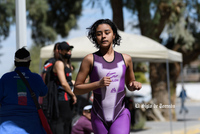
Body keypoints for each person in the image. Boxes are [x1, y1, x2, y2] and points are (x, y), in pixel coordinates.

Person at [74, 19, 142, 134]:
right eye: (99, 34)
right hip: (98, 116)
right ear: (95, 37)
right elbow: (76, 89)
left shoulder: (126, 59)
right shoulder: (89, 59)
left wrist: (134, 84)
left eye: (107, 32)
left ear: (114, 35)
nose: (103, 36)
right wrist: (98, 84)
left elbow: (130, 84)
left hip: (120, 114)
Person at [0, 47, 48, 134]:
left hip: (6, 129)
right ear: (29, 62)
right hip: (33, 128)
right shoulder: (36, 78)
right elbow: (44, 93)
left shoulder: (5, 78)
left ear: (15, 62)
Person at [50, 41, 77, 134]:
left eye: (70, 49)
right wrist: (73, 95)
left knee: (68, 122)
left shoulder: (68, 65)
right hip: (61, 98)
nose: (69, 51)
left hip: (68, 98)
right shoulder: (59, 63)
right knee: (62, 123)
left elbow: (69, 82)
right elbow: (64, 83)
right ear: (60, 51)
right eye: (67, 50)